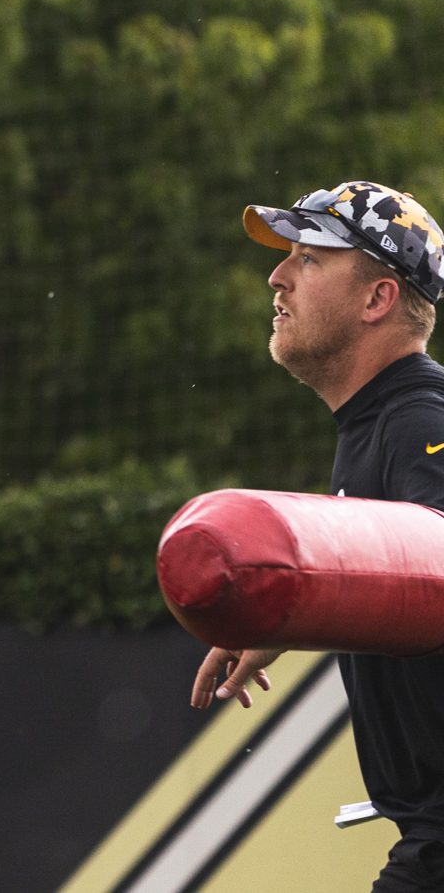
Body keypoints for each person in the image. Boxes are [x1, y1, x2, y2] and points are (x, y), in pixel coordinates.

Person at [194, 180, 444, 892]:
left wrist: (314, 587)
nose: (276, 276)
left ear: (378, 300)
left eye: (308, 258)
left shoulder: (421, 421)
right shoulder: (381, 422)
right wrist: (304, 606)